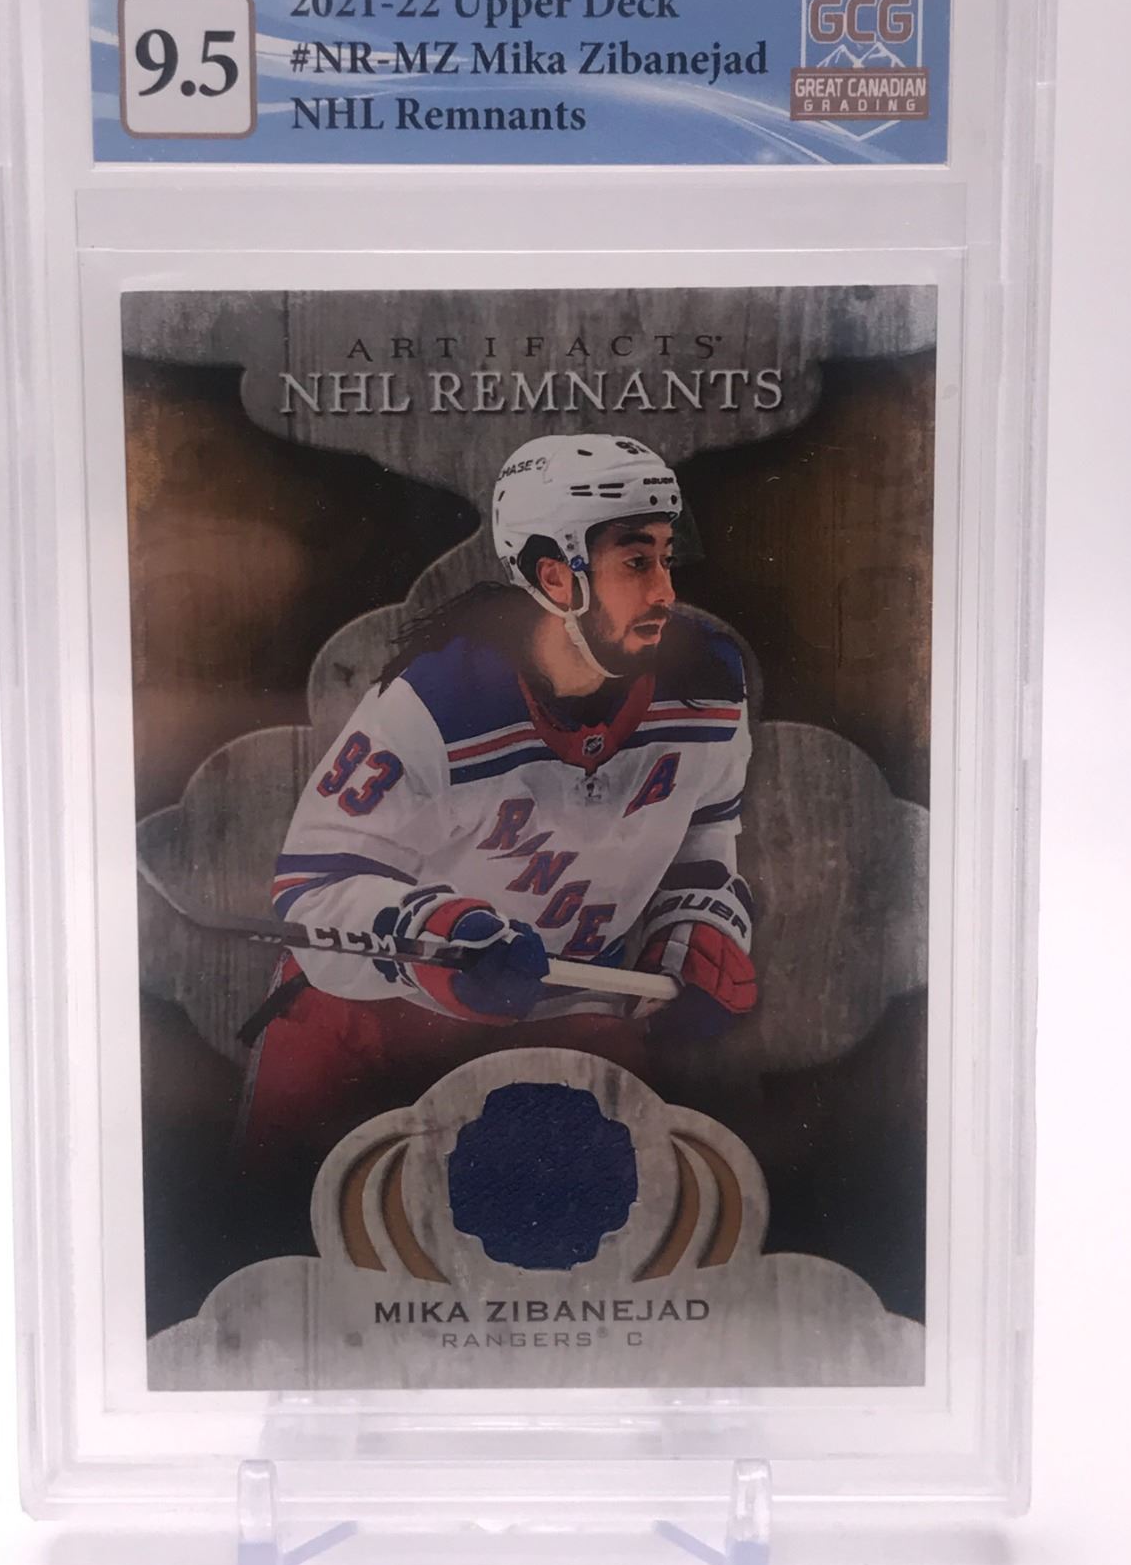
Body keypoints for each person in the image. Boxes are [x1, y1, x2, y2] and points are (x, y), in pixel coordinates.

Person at [240, 432, 758, 1169]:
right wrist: (436, 937)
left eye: (666, 559)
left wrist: (694, 929)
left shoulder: (707, 684)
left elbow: (706, 832)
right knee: (294, 1216)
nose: (665, 593)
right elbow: (312, 890)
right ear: (556, 577)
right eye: (636, 562)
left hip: (569, 1016)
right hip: (372, 1020)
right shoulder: (435, 702)